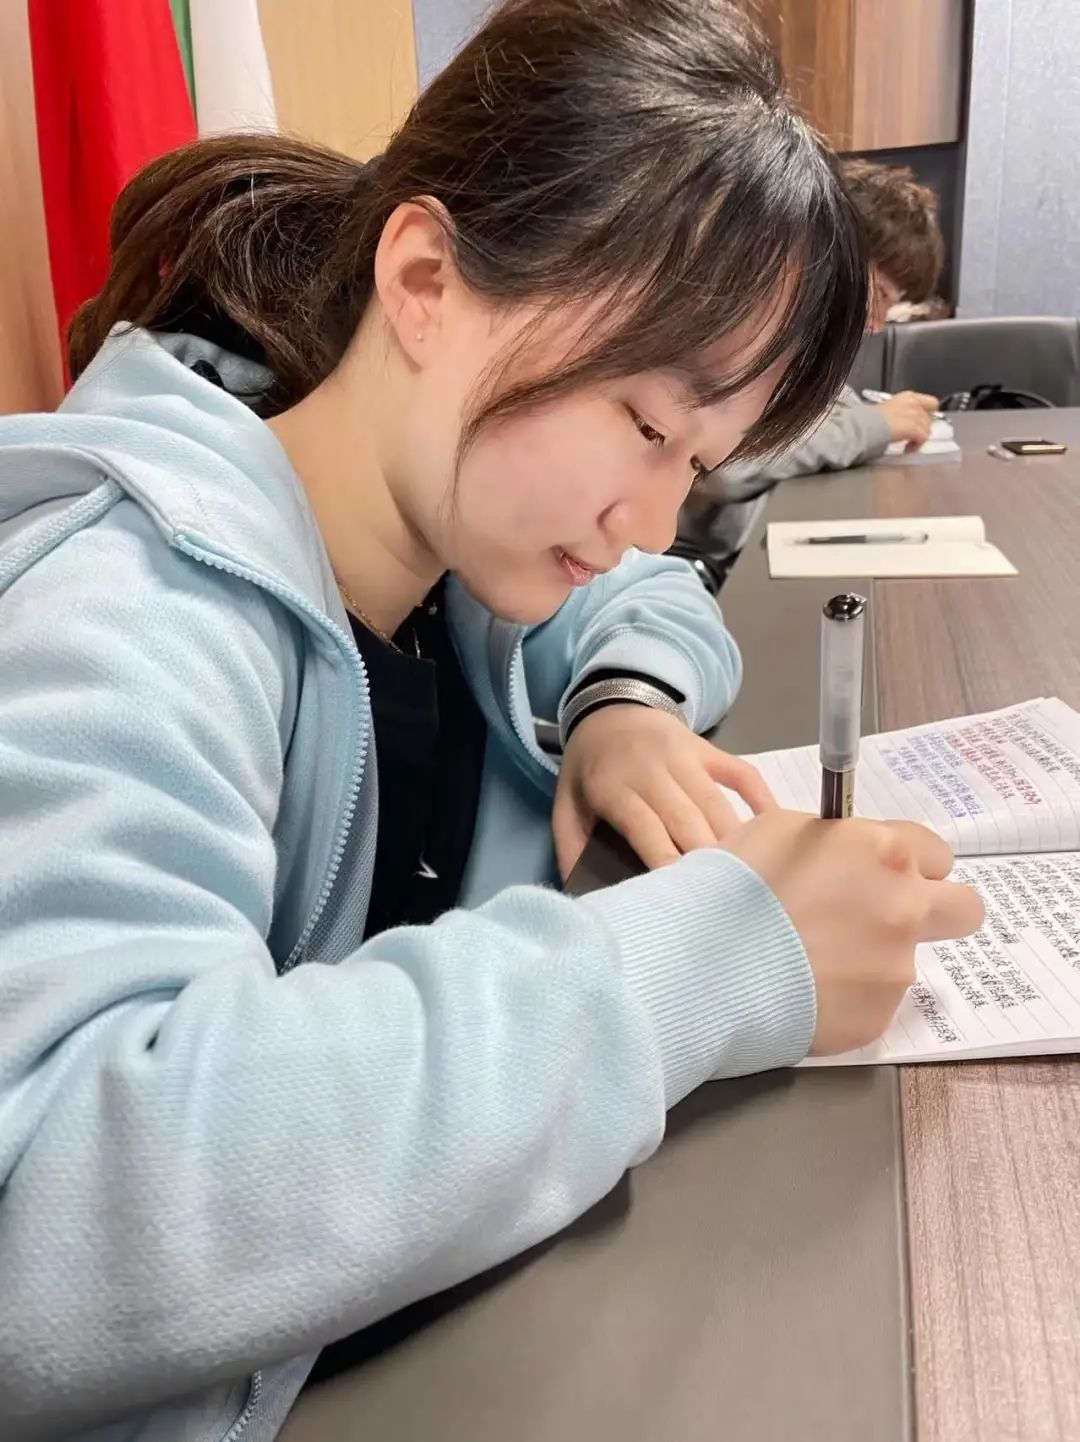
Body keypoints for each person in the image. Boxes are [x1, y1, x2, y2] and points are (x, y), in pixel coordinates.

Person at [0, 2, 981, 1438]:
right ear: (424, 281)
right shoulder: (128, 609)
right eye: (647, 426)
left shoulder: (456, 548)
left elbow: (650, 593)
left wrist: (624, 705)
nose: (654, 518)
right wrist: (697, 964)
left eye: (699, 461)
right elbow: (50, 1207)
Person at [677, 158, 947, 569]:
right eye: (879, 294)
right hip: (686, 559)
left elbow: (829, 407)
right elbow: (725, 465)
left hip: (742, 538)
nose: (877, 324)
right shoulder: (742, 319)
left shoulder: (803, 334)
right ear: (834, 250)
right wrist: (873, 425)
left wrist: (867, 420)